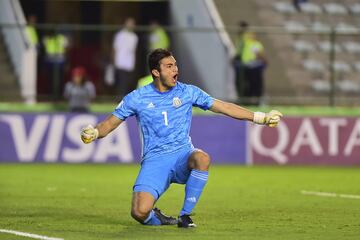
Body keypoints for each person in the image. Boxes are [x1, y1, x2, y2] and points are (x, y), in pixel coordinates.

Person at [80, 49, 282, 228]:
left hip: (182, 155)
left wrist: (260, 117)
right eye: (169, 66)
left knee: (202, 158)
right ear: (155, 72)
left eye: (175, 64)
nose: (175, 69)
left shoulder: (188, 92)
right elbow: (108, 124)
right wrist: (95, 132)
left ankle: (185, 215)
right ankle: (159, 218)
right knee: (139, 212)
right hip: (155, 160)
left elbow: (224, 107)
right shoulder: (137, 98)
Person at [112, 17, 139, 97]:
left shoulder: (134, 37)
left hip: (129, 63)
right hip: (120, 62)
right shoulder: (119, 35)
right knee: (121, 82)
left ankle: (125, 98)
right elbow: (115, 48)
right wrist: (114, 61)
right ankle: (120, 98)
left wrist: (134, 62)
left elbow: (134, 51)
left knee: (128, 82)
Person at [241, 32, 267, 105]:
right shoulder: (252, 44)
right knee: (254, 85)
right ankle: (251, 101)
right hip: (252, 67)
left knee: (252, 85)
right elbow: (259, 54)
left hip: (252, 66)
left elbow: (259, 54)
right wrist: (265, 60)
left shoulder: (253, 44)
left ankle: (252, 101)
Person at [43, 29, 69, 99]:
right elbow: (45, 50)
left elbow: (66, 51)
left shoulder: (62, 38)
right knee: (50, 79)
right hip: (51, 61)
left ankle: (59, 95)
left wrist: (66, 62)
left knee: (60, 79)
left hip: (59, 61)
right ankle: (51, 94)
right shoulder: (47, 39)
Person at [233, 21, 249, 99]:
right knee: (239, 81)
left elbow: (242, 50)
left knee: (242, 81)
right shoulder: (240, 37)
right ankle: (241, 97)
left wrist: (236, 58)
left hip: (243, 62)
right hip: (241, 61)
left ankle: (243, 98)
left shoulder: (245, 38)